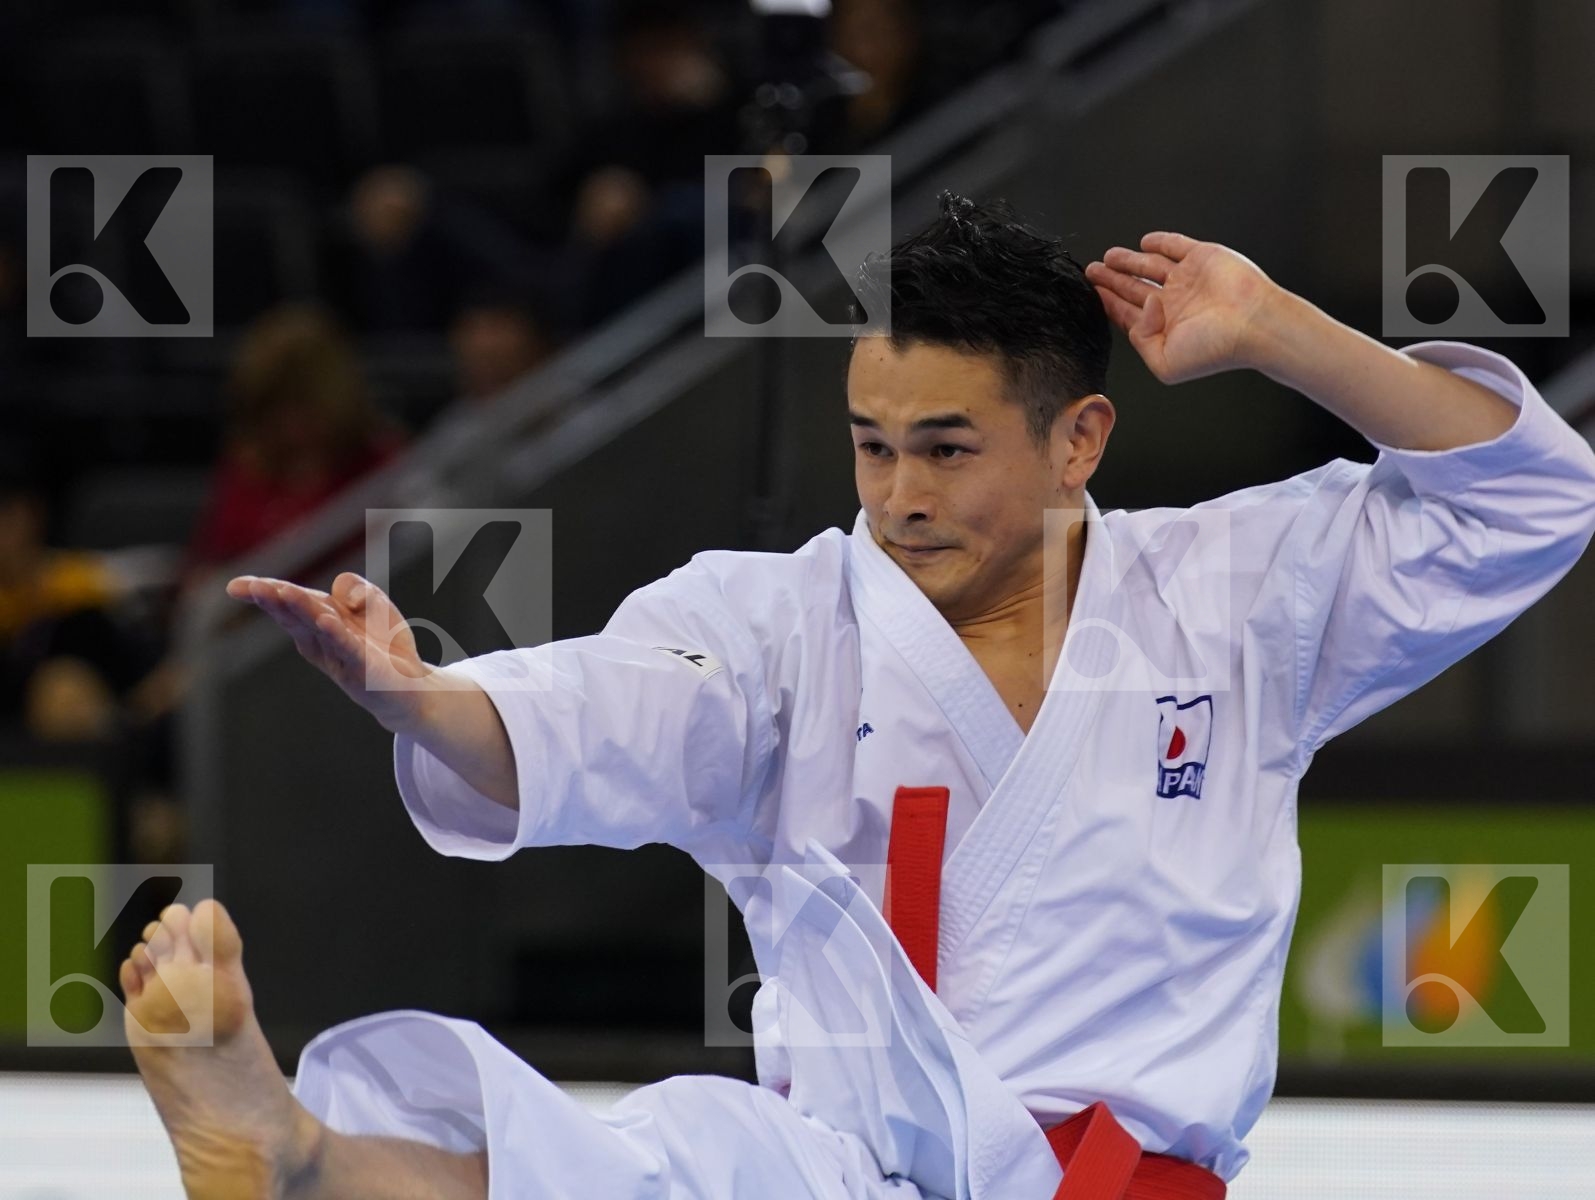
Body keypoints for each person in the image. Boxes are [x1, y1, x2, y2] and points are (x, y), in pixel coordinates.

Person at [121, 193, 1595, 1198]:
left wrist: (1281, 330)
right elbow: (613, 713)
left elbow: (1528, 500)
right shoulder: (780, 623)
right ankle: (296, 1151)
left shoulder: (1236, 595)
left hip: (1118, 1178)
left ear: (1080, 439)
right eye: (870, 445)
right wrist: (422, 699)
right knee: (669, 1161)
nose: (897, 495)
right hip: (841, 1168)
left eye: (946, 450)